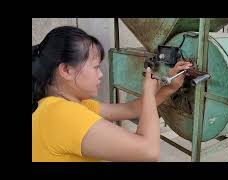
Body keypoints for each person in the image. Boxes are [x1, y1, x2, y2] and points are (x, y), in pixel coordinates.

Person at [32, 26, 192, 162]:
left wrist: (169, 89)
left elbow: (132, 109)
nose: (100, 75)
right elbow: (149, 152)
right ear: (66, 70)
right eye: (95, 67)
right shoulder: (62, 114)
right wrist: (149, 92)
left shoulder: (63, 106)